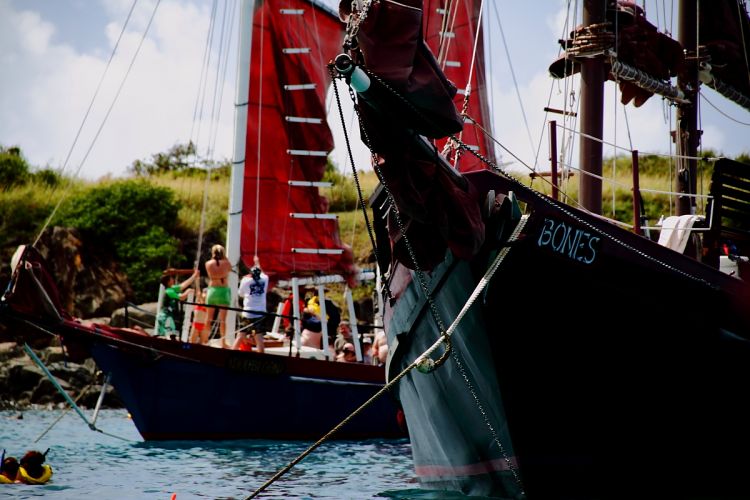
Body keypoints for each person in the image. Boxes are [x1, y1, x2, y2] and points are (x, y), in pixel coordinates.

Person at [237, 255, 269, 353]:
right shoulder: (265, 279)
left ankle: (231, 351)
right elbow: (263, 273)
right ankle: (261, 357)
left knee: (240, 335)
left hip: (247, 313)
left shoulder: (245, 280)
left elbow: (240, 294)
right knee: (259, 337)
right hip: (260, 313)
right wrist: (257, 263)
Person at [156, 269, 199, 338]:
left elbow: (183, 285)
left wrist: (194, 275)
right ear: (168, 282)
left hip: (170, 316)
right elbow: (182, 297)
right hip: (166, 317)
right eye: (171, 278)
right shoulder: (169, 291)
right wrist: (188, 291)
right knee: (169, 335)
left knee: (171, 335)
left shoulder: (172, 288)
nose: (173, 279)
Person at [205, 244, 232, 348]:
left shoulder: (208, 264)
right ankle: (223, 343)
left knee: (208, 318)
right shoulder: (226, 263)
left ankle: (205, 339)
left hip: (212, 290)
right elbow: (228, 268)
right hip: (223, 291)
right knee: (223, 320)